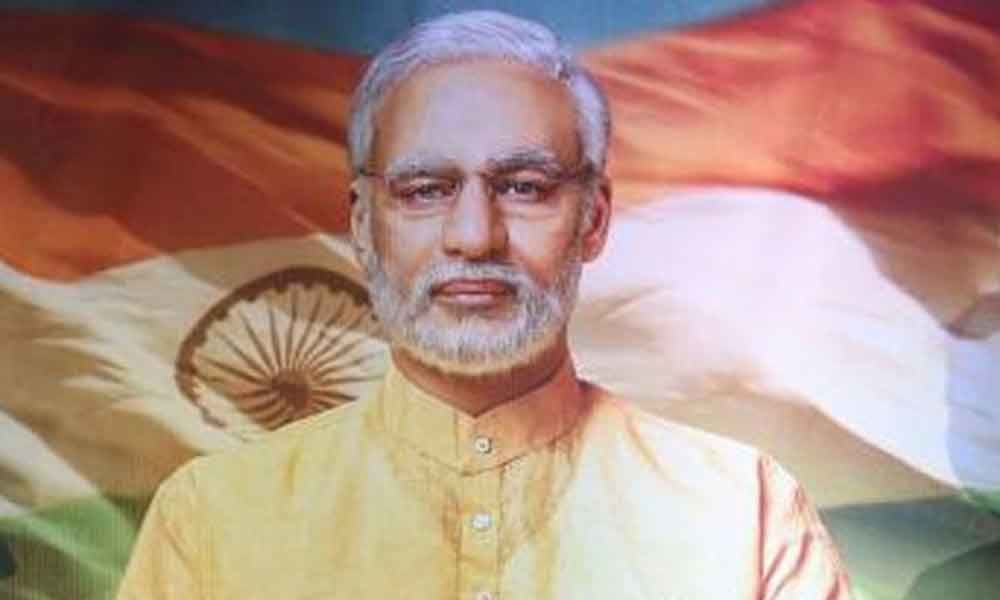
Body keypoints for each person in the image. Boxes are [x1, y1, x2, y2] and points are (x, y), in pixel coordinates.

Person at [117, 10, 852, 599]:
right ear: (363, 225)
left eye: (524, 187)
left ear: (594, 219)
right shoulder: (213, 520)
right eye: (425, 190)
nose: (474, 236)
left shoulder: (740, 514)